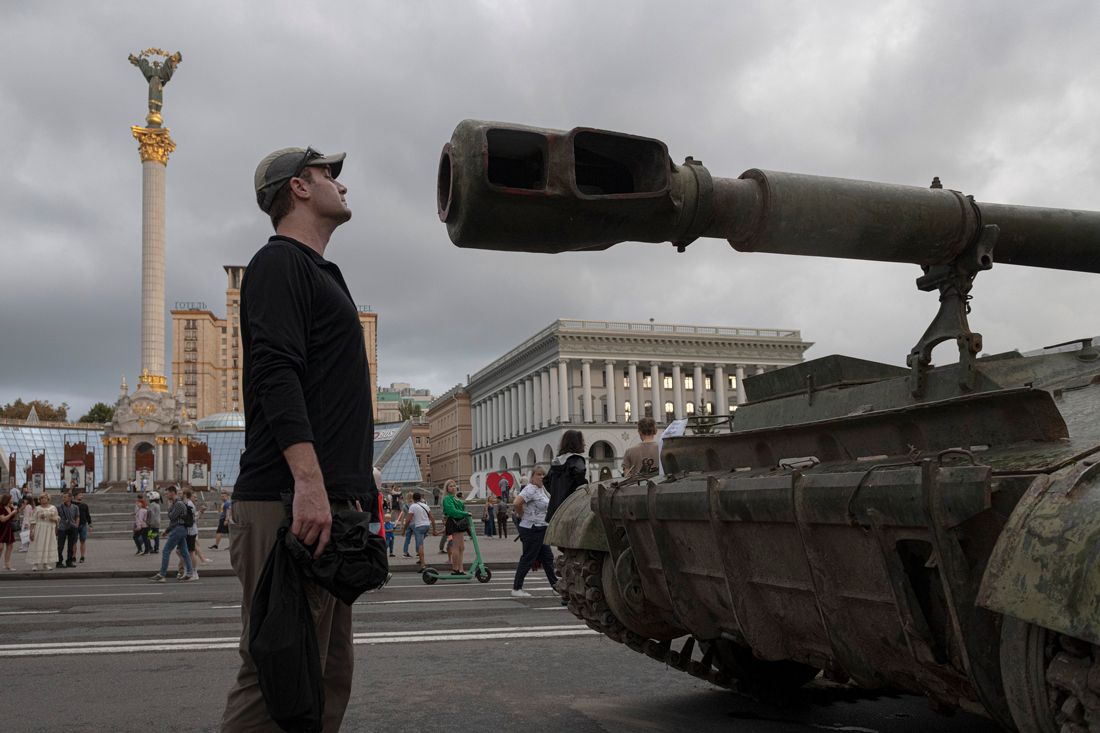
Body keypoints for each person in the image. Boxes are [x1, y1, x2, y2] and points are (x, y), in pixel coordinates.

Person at [220, 144, 372, 733]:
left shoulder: (318, 272)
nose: (341, 183)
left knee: (327, 675)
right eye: (328, 173)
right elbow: (275, 373)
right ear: (299, 188)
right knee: (277, 677)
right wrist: (308, 482)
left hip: (321, 503)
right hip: (288, 503)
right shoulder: (279, 263)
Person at [511, 466, 559, 597]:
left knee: (548, 558)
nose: (542, 477)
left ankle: (555, 587)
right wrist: (522, 515)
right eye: (539, 474)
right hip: (532, 529)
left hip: (541, 528)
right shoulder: (530, 489)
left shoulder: (541, 489)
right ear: (532, 477)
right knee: (528, 558)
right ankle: (516, 588)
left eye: (543, 474)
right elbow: (517, 503)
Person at [149, 486, 195, 582]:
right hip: (179, 529)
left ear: (173, 493)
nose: (166, 495)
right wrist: (167, 531)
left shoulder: (178, 504)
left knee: (166, 551)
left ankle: (162, 575)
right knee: (184, 552)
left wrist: (169, 507)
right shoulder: (176, 503)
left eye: (167, 493)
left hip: (178, 529)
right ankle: (189, 573)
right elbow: (173, 521)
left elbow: (172, 517)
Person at [545, 430, 588, 525]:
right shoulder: (576, 459)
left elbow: (546, 480)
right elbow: (580, 472)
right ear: (576, 443)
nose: (584, 444)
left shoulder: (557, 461)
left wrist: (557, 493)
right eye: (582, 441)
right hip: (571, 508)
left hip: (555, 509)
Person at [442, 480, 471, 574]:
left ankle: (460, 568)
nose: (453, 487)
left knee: (461, 547)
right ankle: (456, 568)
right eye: (450, 486)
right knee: (456, 546)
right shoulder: (447, 498)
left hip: (460, 522)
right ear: (447, 488)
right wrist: (465, 513)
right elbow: (452, 511)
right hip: (454, 522)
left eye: (454, 486)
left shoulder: (455, 498)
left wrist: (464, 513)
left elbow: (460, 508)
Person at [404, 491, 436, 569]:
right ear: (420, 498)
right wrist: (434, 530)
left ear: (413, 498)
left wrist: (404, 529)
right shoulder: (425, 505)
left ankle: (423, 564)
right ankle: (420, 559)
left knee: (420, 545)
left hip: (419, 527)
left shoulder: (413, 506)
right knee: (420, 542)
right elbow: (432, 518)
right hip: (427, 526)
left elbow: (408, 520)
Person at [27, 493, 58, 571]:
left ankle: (46, 563)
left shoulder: (53, 508)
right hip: (39, 529)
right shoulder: (37, 508)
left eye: (44, 498)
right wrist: (31, 532)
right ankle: (35, 564)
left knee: (47, 545)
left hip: (49, 528)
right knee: (37, 545)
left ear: (48, 499)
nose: (43, 500)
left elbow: (57, 517)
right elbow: (33, 520)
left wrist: (54, 519)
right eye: (41, 498)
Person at [55, 491, 80, 568]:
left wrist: (76, 524)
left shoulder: (75, 507)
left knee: (71, 546)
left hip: (72, 527)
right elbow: (57, 518)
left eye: (65, 497)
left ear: (70, 498)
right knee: (60, 546)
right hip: (62, 528)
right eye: (63, 497)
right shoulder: (59, 507)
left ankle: (69, 561)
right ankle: (59, 562)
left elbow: (77, 516)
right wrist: (56, 528)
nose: (63, 498)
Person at [73, 490, 92, 562]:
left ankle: (82, 557)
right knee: (74, 542)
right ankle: (73, 556)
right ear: (75, 496)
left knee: (83, 541)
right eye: (80, 495)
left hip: (83, 525)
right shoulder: (72, 504)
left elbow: (88, 515)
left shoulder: (84, 505)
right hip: (74, 525)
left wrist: (90, 525)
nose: (81, 496)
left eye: (82, 495)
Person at [0, 494, 16, 570]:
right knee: (0, 547)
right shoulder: (1, 508)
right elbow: (3, 519)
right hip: (1, 529)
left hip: (8, 529)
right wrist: (12, 513)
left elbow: (13, 518)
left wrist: (14, 510)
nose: (12, 500)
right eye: (11, 498)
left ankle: (7, 564)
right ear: (7, 499)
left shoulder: (10, 507)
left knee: (10, 546)